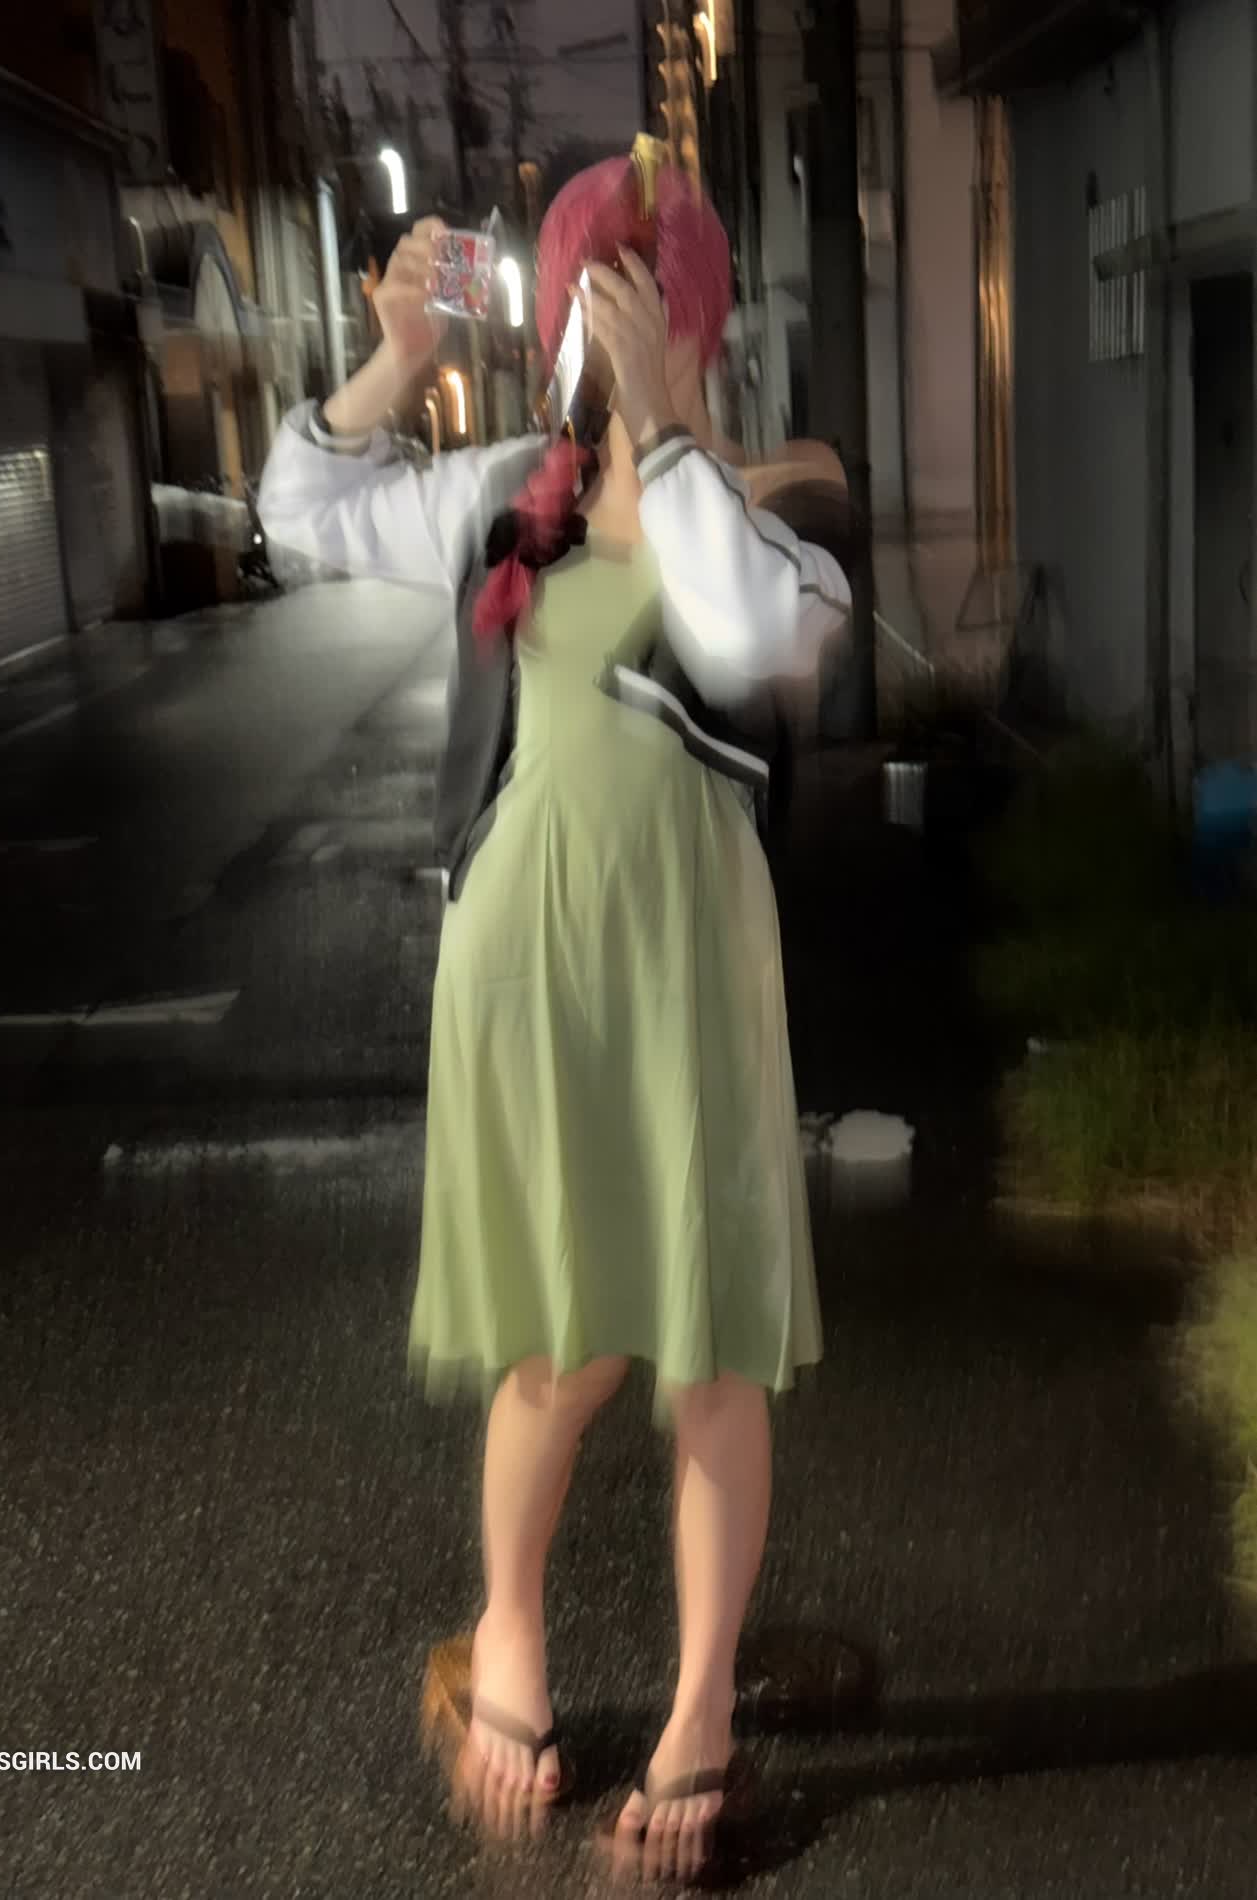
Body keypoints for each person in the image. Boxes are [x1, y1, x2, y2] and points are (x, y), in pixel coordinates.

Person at [256, 157, 851, 1882]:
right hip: (521, 975)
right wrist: (390, 361)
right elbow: (298, 509)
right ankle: (505, 1632)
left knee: (712, 1354)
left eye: (628, 304)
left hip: (694, 977)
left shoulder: (773, 518)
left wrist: (664, 427)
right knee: (556, 1348)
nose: (594, 343)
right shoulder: (504, 494)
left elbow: (742, 633)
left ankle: (701, 1706)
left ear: (692, 322)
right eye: (585, 307)